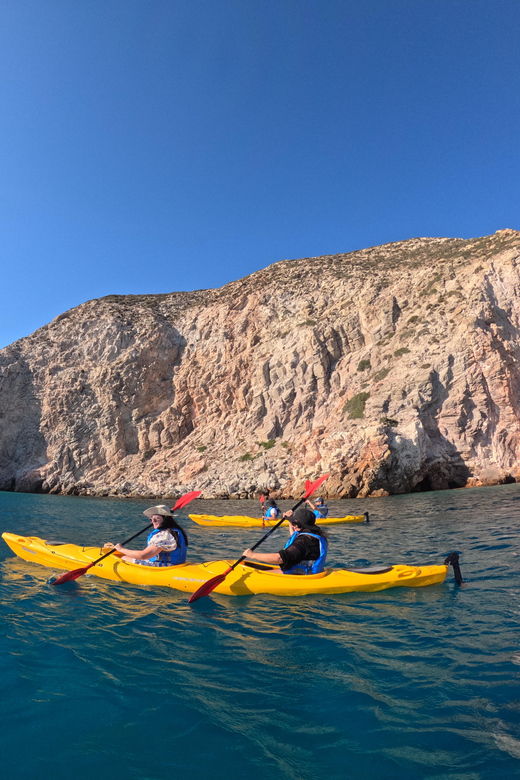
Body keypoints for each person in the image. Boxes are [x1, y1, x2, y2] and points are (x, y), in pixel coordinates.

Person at [243, 507, 328, 574]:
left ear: (301, 526)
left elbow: (279, 558)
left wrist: (252, 555)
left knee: (256, 574)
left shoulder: (303, 541)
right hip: (307, 572)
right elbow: (294, 536)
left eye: (295, 524)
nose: (293, 526)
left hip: (301, 575)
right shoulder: (314, 536)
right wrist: (289, 520)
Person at [105, 505, 188, 566]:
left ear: (166, 519)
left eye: (156, 519)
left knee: (123, 558)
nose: (153, 521)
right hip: (177, 564)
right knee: (126, 555)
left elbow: (143, 555)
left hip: (164, 567)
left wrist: (121, 549)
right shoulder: (176, 531)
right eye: (151, 519)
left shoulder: (164, 535)